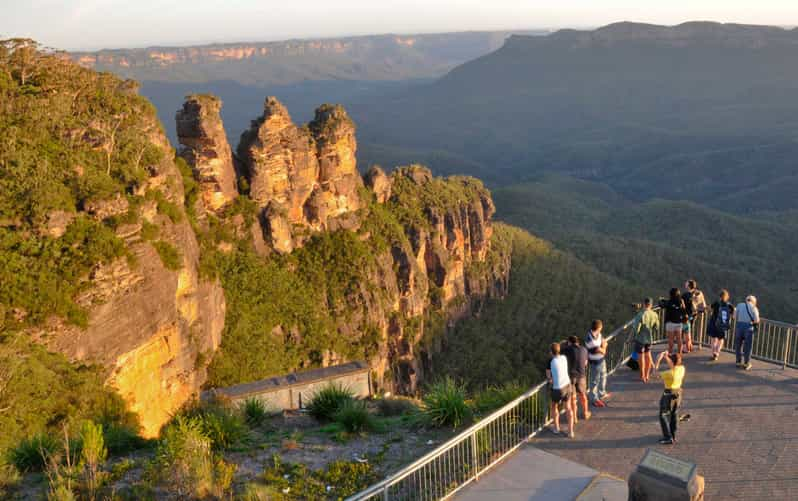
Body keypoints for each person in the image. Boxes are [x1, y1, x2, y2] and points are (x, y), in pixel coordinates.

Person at [655, 351, 686, 445]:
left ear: (672, 362)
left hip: (668, 394)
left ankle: (668, 437)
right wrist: (666, 356)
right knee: (674, 413)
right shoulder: (682, 368)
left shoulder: (668, 373)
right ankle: (673, 434)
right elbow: (673, 365)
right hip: (678, 393)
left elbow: (655, 374)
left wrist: (658, 360)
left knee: (663, 415)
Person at [547, 342, 575, 438]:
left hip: (557, 388)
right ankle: (571, 431)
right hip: (567, 386)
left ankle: (556, 428)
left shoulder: (551, 361)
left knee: (554, 406)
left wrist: (550, 379)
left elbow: (549, 377)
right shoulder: (564, 358)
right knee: (568, 407)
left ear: (551, 352)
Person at [562, 335, 591, 422]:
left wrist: (563, 345)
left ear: (569, 342)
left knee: (573, 398)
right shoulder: (584, 349)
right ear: (578, 342)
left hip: (571, 376)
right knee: (583, 395)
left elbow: (557, 353)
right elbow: (585, 363)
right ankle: (586, 413)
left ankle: (574, 417)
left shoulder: (567, 349)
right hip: (581, 376)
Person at [632, 298, 660, 383]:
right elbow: (657, 327)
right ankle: (647, 375)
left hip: (640, 339)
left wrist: (634, 336)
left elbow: (636, 328)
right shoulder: (654, 314)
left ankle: (642, 375)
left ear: (644, 304)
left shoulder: (640, 314)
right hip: (649, 338)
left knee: (641, 357)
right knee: (648, 355)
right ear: (651, 305)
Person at [585, 320, 611, 407]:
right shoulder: (590, 340)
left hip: (601, 360)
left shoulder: (597, 334)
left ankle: (602, 393)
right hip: (595, 362)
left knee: (603, 376)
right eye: (601, 328)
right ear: (598, 328)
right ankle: (594, 398)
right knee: (594, 381)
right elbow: (603, 351)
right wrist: (604, 346)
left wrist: (603, 346)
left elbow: (603, 341)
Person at [708, 289, 735, 361]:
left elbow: (709, 308)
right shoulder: (729, 305)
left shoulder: (716, 303)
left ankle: (713, 352)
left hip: (714, 323)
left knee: (714, 339)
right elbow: (733, 315)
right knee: (721, 339)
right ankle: (717, 352)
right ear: (727, 297)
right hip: (723, 325)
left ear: (720, 296)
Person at [734, 295, 760, 370]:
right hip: (748, 327)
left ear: (746, 300)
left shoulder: (739, 305)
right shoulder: (754, 308)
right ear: (754, 302)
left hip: (739, 326)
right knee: (747, 346)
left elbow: (734, 316)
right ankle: (746, 363)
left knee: (738, 345)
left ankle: (738, 362)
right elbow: (756, 320)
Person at [682, 280, 707, 352]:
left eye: (686, 284)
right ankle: (689, 345)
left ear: (689, 286)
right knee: (688, 330)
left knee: (686, 331)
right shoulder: (699, 293)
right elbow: (703, 303)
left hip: (686, 315)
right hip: (695, 314)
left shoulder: (686, 295)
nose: (685, 284)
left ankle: (687, 348)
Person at [664, 288, 689, 354]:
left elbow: (663, 305)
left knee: (671, 339)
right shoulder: (681, 301)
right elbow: (684, 310)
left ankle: (670, 353)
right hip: (679, 322)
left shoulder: (669, 302)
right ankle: (679, 354)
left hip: (670, 323)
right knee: (679, 339)